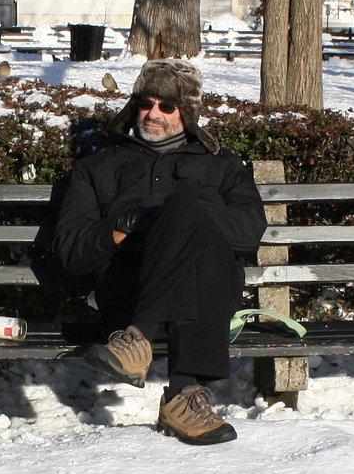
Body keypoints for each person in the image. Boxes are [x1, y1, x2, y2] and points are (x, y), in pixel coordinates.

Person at [53, 59, 267, 445]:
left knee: (185, 210)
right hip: (127, 294)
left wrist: (184, 219)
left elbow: (249, 233)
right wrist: (122, 226)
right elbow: (70, 253)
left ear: (186, 113)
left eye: (166, 106)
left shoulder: (222, 168)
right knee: (185, 220)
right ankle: (183, 397)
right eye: (145, 103)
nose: (153, 113)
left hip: (205, 295)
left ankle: (138, 339)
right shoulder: (99, 168)